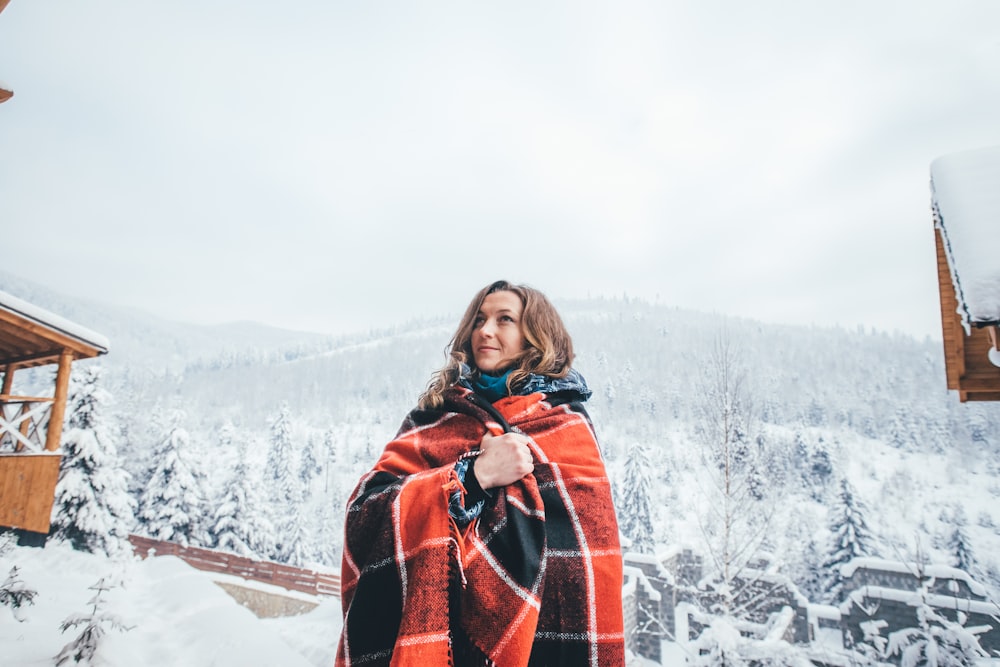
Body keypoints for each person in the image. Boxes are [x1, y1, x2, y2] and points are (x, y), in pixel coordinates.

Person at [336, 280, 625, 667]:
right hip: (441, 641)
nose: (485, 331)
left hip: (540, 643)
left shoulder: (566, 427)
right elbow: (364, 514)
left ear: (534, 336)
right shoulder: (437, 416)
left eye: (504, 320)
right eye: (479, 320)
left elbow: (590, 564)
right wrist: (471, 477)